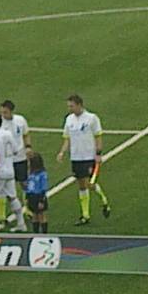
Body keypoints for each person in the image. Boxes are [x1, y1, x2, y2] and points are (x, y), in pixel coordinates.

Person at [57, 94, 110, 226]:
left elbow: (98, 136)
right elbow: (67, 138)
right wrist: (62, 152)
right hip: (76, 157)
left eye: (71, 106)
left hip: (88, 156)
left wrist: (98, 153)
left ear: (79, 105)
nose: (70, 109)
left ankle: (103, 200)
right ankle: (85, 215)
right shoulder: (69, 119)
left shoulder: (92, 118)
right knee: (81, 185)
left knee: (88, 184)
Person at [0, 113, 27, 231]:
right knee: (12, 197)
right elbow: (15, 150)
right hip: (10, 170)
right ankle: (21, 224)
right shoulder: (8, 133)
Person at [0, 101, 33, 214]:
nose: (3, 115)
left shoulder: (20, 120)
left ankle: (28, 208)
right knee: (5, 186)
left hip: (20, 158)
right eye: (2, 112)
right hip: (6, 160)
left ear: (11, 111)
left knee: (24, 183)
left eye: (5, 112)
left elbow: (26, 134)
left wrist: (28, 147)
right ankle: (4, 214)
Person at [25, 153, 50, 233]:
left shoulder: (42, 174)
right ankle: (35, 233)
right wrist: (27, 196)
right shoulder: (31, 174)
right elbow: (29, 186)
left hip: (39, 196)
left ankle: (44, 234)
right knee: (34, 215)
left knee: (41, 215)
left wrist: (41, 200)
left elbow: (44, 188)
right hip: (32, 197)